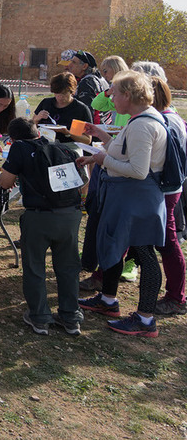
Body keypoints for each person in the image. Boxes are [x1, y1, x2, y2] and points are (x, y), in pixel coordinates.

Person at [77, 71, 168, 337]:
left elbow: (138, 170)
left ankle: (145, 319)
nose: (111, 98)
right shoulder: (138, 120)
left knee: (143, 254)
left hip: (137, 198)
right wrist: (102, 136)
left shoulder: (142, 125)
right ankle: (108, 300)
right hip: (128, 197)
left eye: (114, 93)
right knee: (114, 247)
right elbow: (125, 150)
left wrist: (103, 160)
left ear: (128, 95)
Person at [0, 117, 85, 335]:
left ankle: (39, 317)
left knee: (35, 266)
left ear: (13, 138)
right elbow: (84, 186)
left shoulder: (19, 148)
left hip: (39, 216)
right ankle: (71, 316)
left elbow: (5, 182)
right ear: (38, 133)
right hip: (70, 216)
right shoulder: (65, 149)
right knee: (68, 267)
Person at [147, 77, 187, 316]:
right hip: (161, 188)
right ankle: (103, 278)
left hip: (163, 190)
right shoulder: (165, 118)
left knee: (168, 243)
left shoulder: (166, 121)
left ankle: (176, 297)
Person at [33, 72, 93, 150]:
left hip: (69, 148)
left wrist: (67, 133)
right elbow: (32, 126)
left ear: (72, 91)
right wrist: (36, 119)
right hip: (45, 145)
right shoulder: (46, 103)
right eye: (57, 93)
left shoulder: (80, 109)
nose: (60, 97)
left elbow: (87, 139)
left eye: (64, 94)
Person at [90, 55, 130, 126]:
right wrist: (107, 93)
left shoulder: (131, 86)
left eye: (105, 71)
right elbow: (96, 105)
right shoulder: (113, 87)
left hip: (129, 131)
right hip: (119, 133)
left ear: (115, 68)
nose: (104, 75)